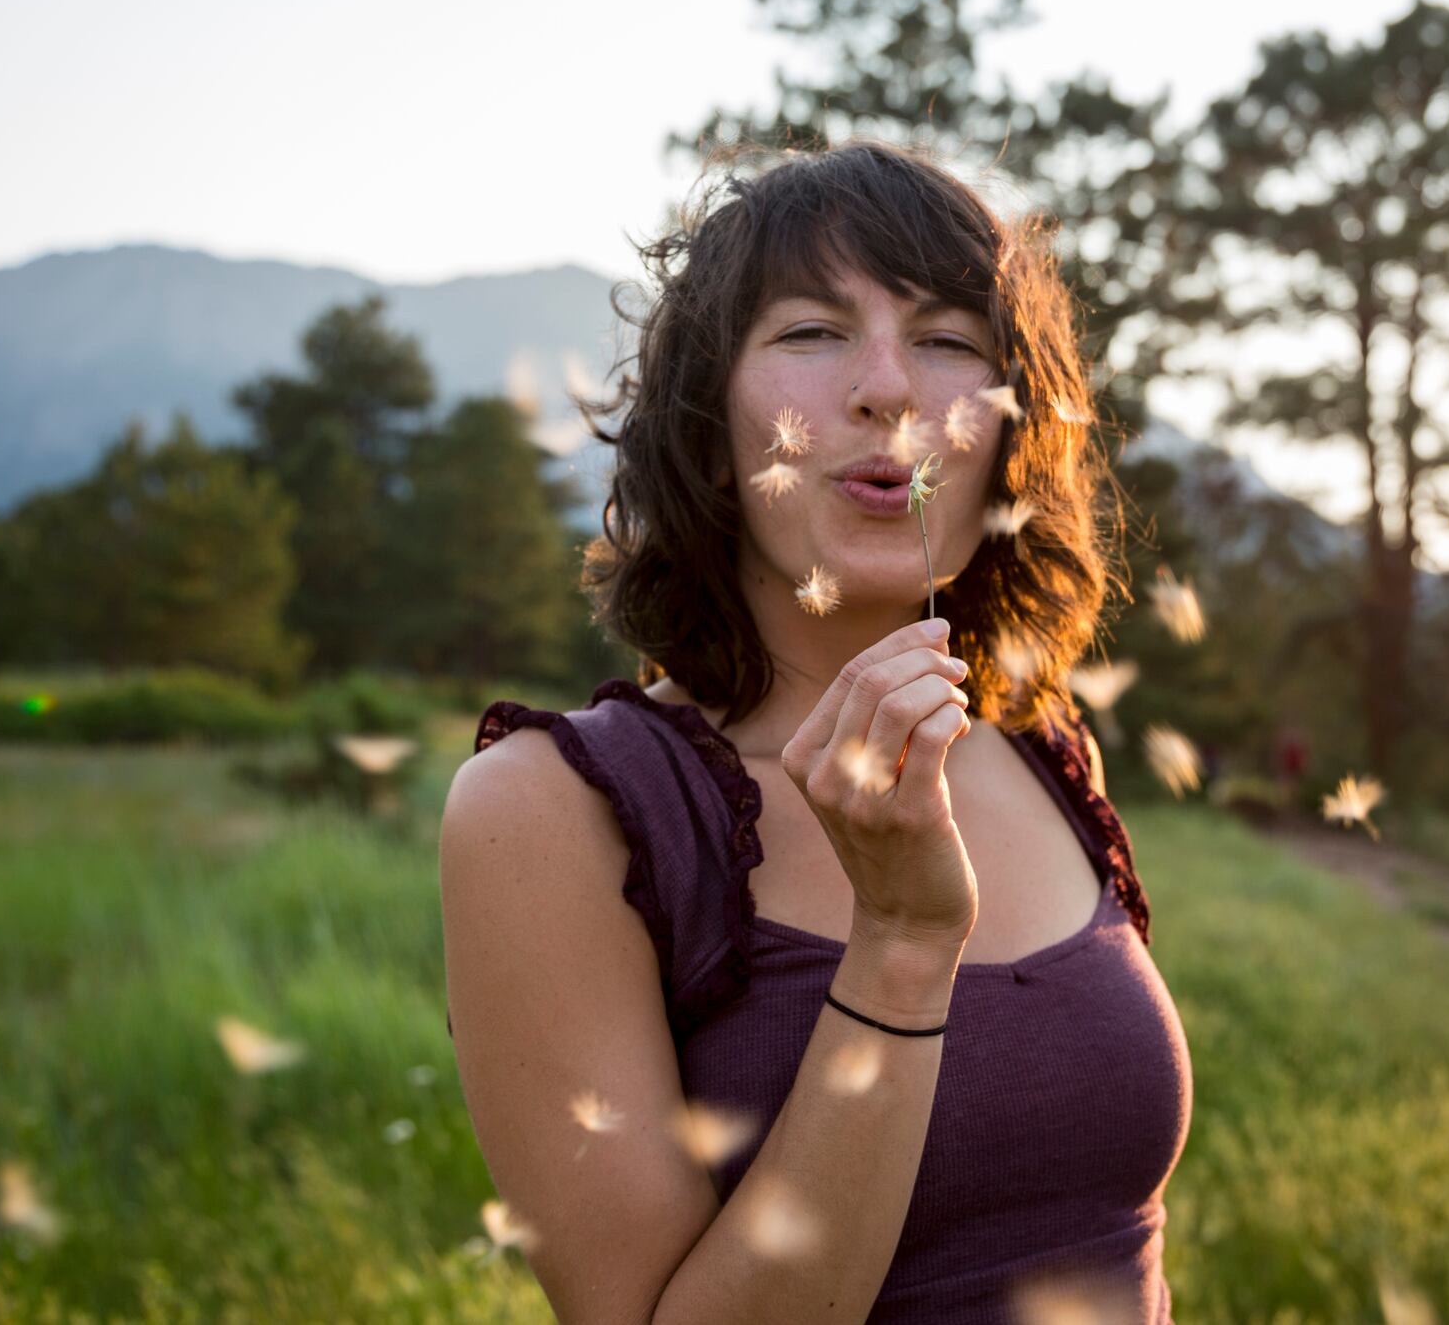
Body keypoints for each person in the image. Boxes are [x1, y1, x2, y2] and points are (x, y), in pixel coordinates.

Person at [439, 138, 1193, 1323]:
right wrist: (897, 943)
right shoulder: (557, 812)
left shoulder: (1046, 749)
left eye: (950, 341)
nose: (888, 387)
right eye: (811, 332)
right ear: (709, 421)